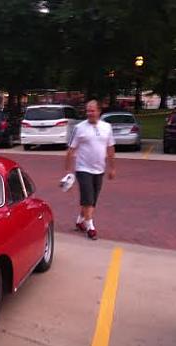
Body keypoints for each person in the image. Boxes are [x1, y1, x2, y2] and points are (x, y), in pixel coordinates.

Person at [63, 99, 115, 240]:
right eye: (88, 110)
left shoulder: (107, 127)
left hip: (99, 169)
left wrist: (112, 168)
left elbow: (110, 148)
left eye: (92, 110)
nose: (90, 113)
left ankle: (80, 221)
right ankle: (90, 227)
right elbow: (71, 150)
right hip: (83, 169)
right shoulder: (79, 128)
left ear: (99, 111)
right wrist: (68, 171)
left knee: (92, 200)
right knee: (88, 198)